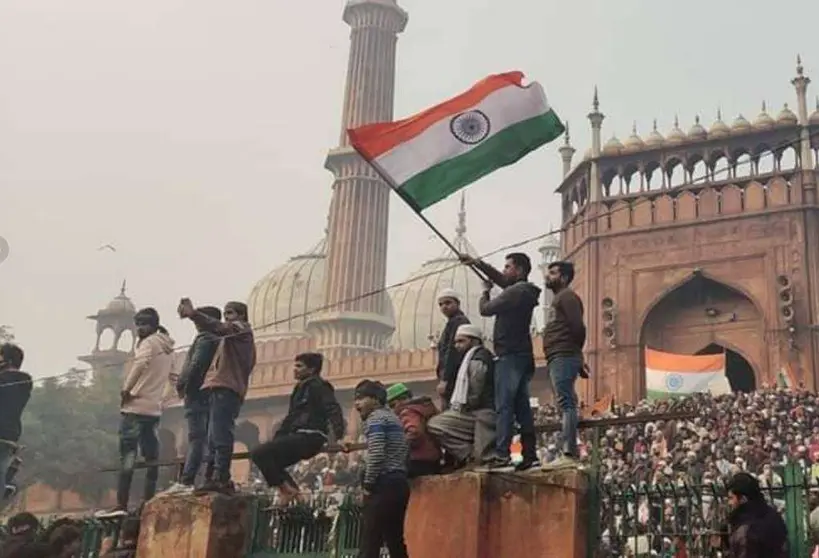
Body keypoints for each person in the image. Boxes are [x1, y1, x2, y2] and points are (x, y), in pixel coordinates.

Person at [461, 252, 541, 471]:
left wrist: (485, 291)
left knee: (504, 406)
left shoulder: (516, 292)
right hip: (522, 356)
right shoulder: (523, 292)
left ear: (520, 270)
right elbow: (502, 280)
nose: (504, 271)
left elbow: (485, 310)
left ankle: (501, 453)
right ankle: (529, 454)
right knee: (522, 408)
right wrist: (477, 264)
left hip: (509, 357)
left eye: (508, 267)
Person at [98, 309, 175, 517]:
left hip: (134, 408)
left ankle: (121, 504)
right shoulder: (168, 348)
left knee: (128, 457)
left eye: (144, 324)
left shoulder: (149, 343)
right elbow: (174, 378)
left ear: (154, 325)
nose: (140, 328)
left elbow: (140, 364)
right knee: (152, 458)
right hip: (153, 411)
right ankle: (148, 501)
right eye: (138, 324)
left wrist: (127, 390)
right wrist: (161, 400)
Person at [178, 299, 256, 495]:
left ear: (241, 317)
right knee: (213, 436)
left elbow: (219, 327)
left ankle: (221, 476)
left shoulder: (241, 330)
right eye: (226, 313)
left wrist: (193, 313)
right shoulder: (229, 340)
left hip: (227, 389)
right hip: (219, 388)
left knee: (220, 434)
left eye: (230, 313)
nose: (227, 318)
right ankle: (213, 477)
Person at [250, 353, 345, 503]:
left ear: (312, 369)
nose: (295, 369)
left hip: (310, 436)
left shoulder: (319, 386)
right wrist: (278, 441)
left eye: (299, 366)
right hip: (298, 437)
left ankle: (287, 491)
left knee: (258, 453)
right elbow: (291, 417)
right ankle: (295, 494)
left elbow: (333, 409)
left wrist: (339, 437)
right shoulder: (300, 388)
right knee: (271, 461)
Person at [165, 305, 223, 495]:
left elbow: (197, 365)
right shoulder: (218, 340)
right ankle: (208, 478)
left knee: (196, 438)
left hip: (196, 394)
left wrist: (184, 386)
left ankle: (187, 480)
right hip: (209, 393)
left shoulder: (206, 339)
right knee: (209, 437)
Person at [348, 380, 409, 558]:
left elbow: (376, 454)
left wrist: (367, 486)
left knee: (370, 540)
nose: (356, 404)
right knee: (395, 540)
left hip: (384, 483)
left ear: (375, 400)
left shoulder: (375, 419)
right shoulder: (394, 419)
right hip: (399, 483)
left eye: (360, 398)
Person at [427, 324, 497, 469]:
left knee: (485, 460)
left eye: (461, 341)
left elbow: (476, 390)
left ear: (475, 341)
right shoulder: (467, 359)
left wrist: (467, 405)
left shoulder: (478, 358)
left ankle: (476, 454)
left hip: (483, 412)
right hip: (470, 412)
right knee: (436, 425)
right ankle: (468, 454)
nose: (457, 346)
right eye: (455, 342)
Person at [541, 260, 587, 469]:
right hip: (558, 355)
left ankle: (569, 451)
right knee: (565, 401)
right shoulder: (559, 299)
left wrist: (576, 354)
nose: (547, 276)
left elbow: (578, 327)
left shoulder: (567, 297)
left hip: (563, 354)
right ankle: (568, 449)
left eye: (552, 273)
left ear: (564, 277)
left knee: (566, 402)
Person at [0, 344, 32, 510]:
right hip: (11, 435)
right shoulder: (25, 381)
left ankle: (6, 485)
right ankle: (6, 485)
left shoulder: (6, 380)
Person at [726, 472, 788, 557]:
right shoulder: (773, 516)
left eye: (731, 498)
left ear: (743, 499)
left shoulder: (746, 529)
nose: (729, 503)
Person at [386, 383, 441, 478]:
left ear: (402, 400)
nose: (392, 410)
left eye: (392, 405)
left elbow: (414, 432)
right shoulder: (421, 409)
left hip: (418, 460)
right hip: (432, 458)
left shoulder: (407, 412)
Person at [434, 289, 471, 409]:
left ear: (457, 303)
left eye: (448, 303)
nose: (444, 307)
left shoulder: (458, 321)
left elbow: (452, 352)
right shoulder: (453, 322)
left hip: (454, 377)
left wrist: (445, 379)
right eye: (441, 304)